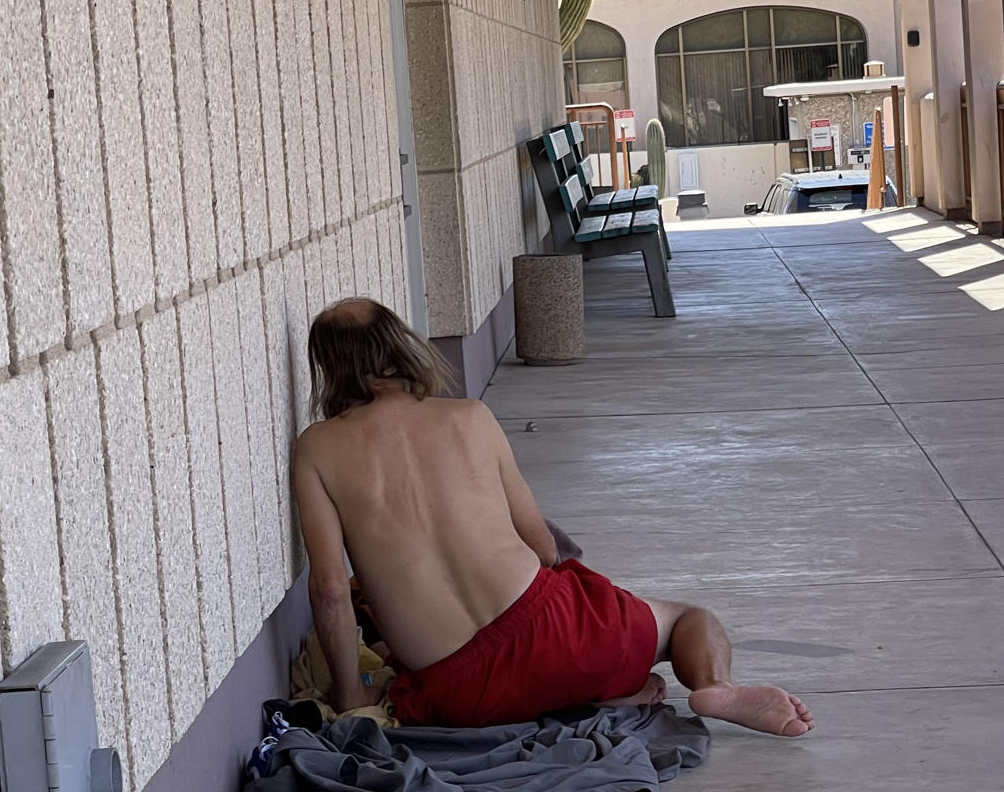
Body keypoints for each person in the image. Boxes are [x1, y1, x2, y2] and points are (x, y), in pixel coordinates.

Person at [290, 297, 813, 737]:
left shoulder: (316, 449)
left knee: (503, 679)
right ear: (402, 346)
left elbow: (331, 590)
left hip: (458, 693)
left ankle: (583, 699)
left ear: (329, 369)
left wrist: (349, 691)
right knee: (686, 619)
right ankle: (713, 689)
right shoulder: (469, 417)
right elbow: (541, 547)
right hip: (562, 639)